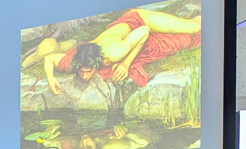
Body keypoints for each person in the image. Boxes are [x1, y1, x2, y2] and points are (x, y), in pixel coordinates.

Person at [44, 8, 201, 94]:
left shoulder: (113, 53)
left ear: (98, 62)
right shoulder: (76, 59)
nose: (84, 76)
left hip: (139, 20)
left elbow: (144, 30)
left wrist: (126, 64)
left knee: (195, 27)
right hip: (121, 31)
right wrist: (50, 78)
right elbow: (49, 58)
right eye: (82, 72)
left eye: (88, 71)